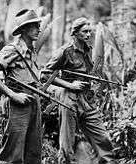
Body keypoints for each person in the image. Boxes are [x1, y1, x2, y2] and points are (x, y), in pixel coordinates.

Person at [41, 17, 115, 164]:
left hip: (87, 100)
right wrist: (70, 85)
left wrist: (96, 82)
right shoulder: (64, 51)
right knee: (67, 143)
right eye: (85, 32)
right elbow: (44, 75)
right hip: (69, 99)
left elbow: (91, 72)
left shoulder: (88, 49)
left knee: (102, 138)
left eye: (90, 32)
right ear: (75, 33)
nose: (88, 35)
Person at [0, 9, 42, 164]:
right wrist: (13, 95)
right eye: (34, 25)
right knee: (13, 154)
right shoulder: (12, 49)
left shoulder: (32, 50)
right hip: (18, 104)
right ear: (23, 29)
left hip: (33, 101)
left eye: (38, 25)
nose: (39, 29)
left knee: (33, 153)